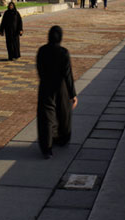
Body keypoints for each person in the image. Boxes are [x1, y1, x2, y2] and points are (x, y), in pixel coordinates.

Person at [36, 25, 77, 159]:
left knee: (46, 118)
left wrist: (45, 80)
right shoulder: (63, 52)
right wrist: (72, 94)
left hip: (46, 86)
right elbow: (68, 75)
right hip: (61, 87)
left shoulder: (42, 51)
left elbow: (40, 69)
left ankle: (46, 148)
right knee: (63, 114)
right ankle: (62, 138)